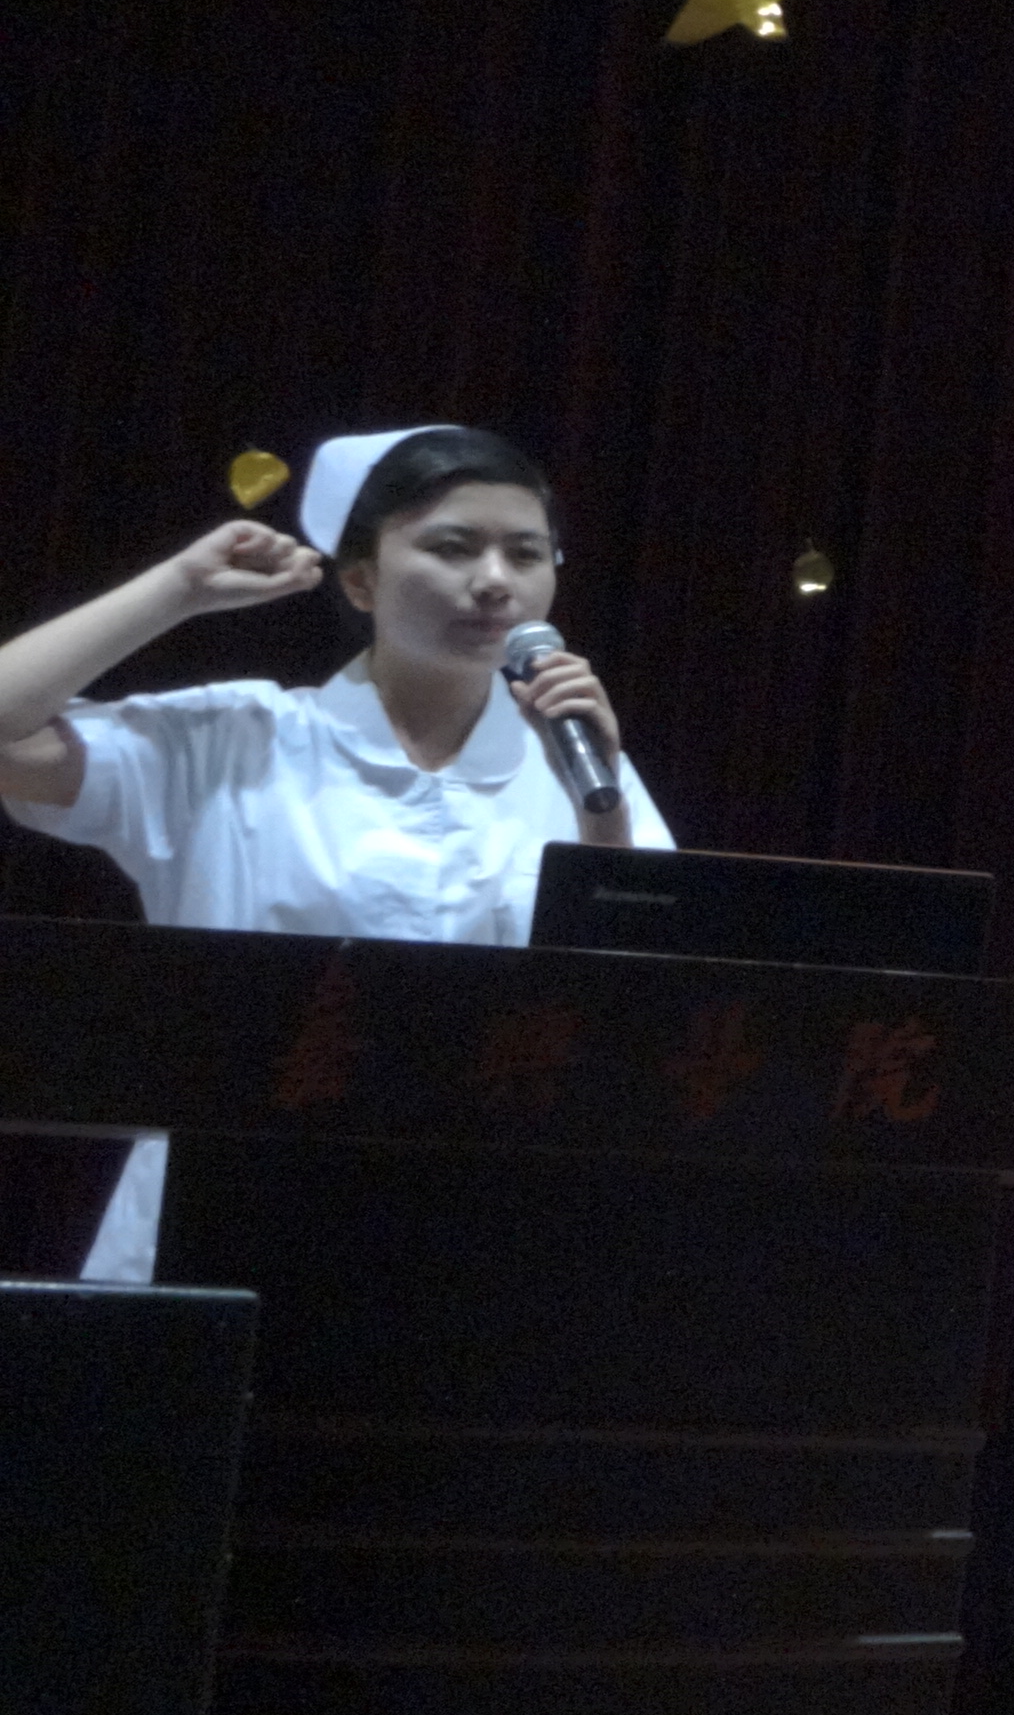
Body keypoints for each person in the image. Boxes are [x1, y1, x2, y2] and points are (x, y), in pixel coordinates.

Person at [0, 426, 669, 1282]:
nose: (495, 581)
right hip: (226, 1209)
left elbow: (642, 994)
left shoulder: (582, 766)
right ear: (360, 579)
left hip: (476, 1228)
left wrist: (599, 806)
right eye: (453, 547)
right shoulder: (239, 737)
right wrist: (177, 591)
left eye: (526, 553)